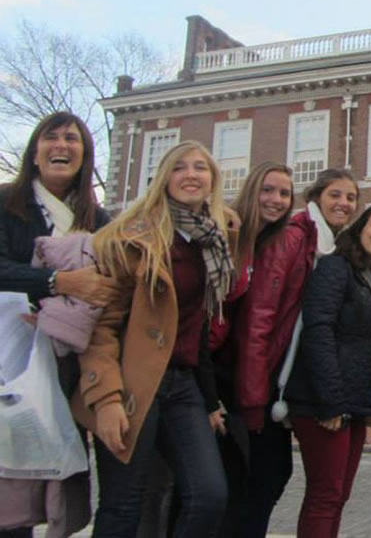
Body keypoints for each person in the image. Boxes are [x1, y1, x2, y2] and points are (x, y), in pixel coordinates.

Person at [73, 140, 234, 537]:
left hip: (182, 385)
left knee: (209, 495)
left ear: (213, 180)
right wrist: (106, 398)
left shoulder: (211, 243)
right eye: (179, 167)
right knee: (123, 503)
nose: (191, 175)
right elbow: (101, 327)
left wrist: (209, 401)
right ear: (163, 179)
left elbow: (195, 328)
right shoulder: (131, 240)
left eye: (200, 167)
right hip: (133, 382)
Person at [0, 112, 118, 538]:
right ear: (35, 152)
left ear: (85, 156)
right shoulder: (5, 204)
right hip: (9, 358)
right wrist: (57, 283)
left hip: (68, 361)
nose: (62, 145)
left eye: (72, 139)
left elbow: (109, 288)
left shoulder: (100, 221)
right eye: (52, 138)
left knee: (48, 486)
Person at [212, 162, 317, 538]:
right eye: (268, 190)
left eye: (285, 193)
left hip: (250, 375)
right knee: (245, 479)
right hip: (224, 375)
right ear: (251, 190)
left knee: (264, 475)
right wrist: (253, 402)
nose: (276, 199)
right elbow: (255, 326)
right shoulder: (232, 235)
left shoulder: (271, 239)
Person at [285, 203, 371, 537]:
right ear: (360, 228)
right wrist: (330, 402)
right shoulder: (335, 268)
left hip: (355, 402)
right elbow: (318, 331)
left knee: (338, 496)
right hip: (323, 402)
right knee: (325, 495)